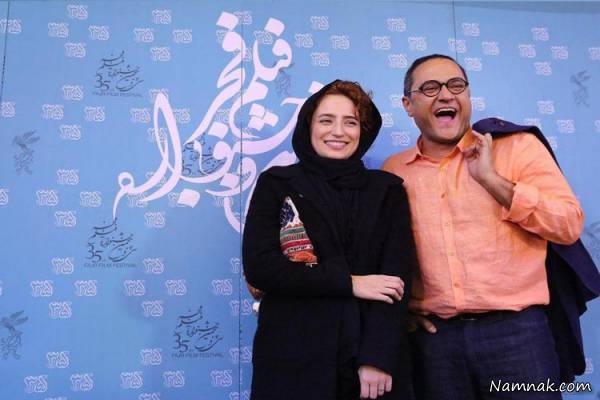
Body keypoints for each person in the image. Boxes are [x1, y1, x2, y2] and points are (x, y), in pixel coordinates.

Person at [382, 54, 590, 399]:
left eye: (456, 85)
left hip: (518, 336)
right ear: (408, 105)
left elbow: (567, 224)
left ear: (467, 96)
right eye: (430, 88)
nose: (446, 94)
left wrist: (492, 180)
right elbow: (384, 253)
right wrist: (400, 313)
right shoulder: (394, 171)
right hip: (435, 343)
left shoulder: (517, 147)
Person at [243, 80, 418, 400]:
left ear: (363, 130)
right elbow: (261, 268)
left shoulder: (387, 190)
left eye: (350, 122)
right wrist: (348, 283)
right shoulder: (276, 184)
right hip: (290, 357)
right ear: (308, 125)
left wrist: (377, 358)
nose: (338, 131)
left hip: (367, 362)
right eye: (326, 120)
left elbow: (396, 281)